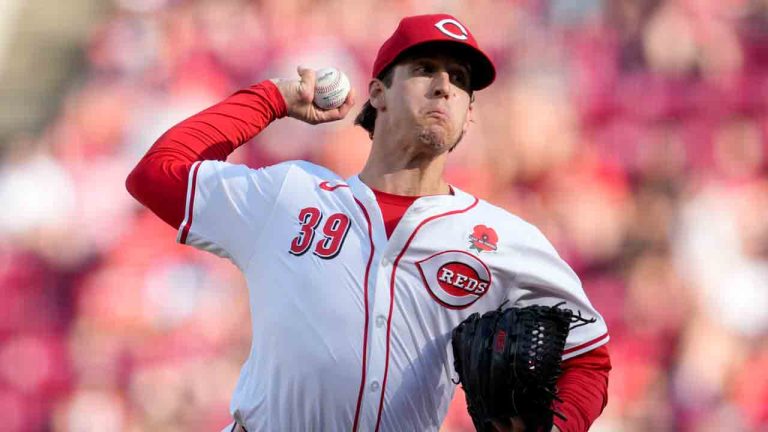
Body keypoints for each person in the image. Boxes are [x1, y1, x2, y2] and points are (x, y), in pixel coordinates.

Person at [126, 13, 611, 432]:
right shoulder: (290, 195)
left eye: (461, 80)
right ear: (378, 92)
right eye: (425, 69)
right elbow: (156, 175)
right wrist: (272, 99)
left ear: (469, 115)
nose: (445, 85)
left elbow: (589, 356)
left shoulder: (504, 240)